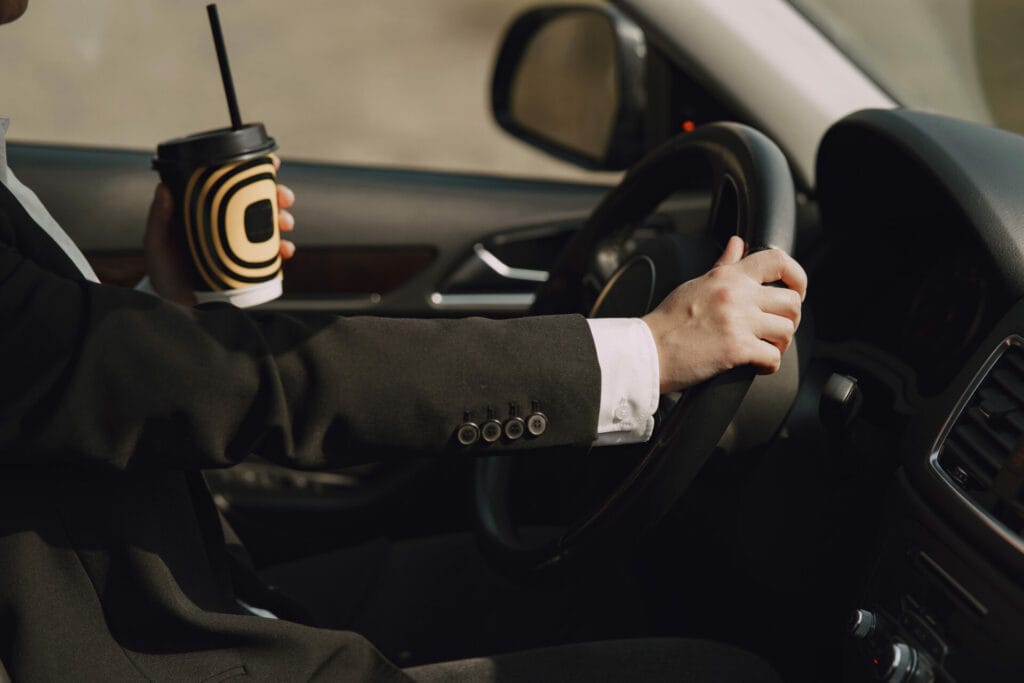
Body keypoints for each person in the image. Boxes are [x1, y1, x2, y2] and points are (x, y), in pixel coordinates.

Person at [0, 1, 806, 680]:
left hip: (197, 590)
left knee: (595, 589)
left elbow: (82, 376)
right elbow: (249, 376)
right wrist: (646, 352)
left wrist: (164, 301)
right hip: (156, 649)